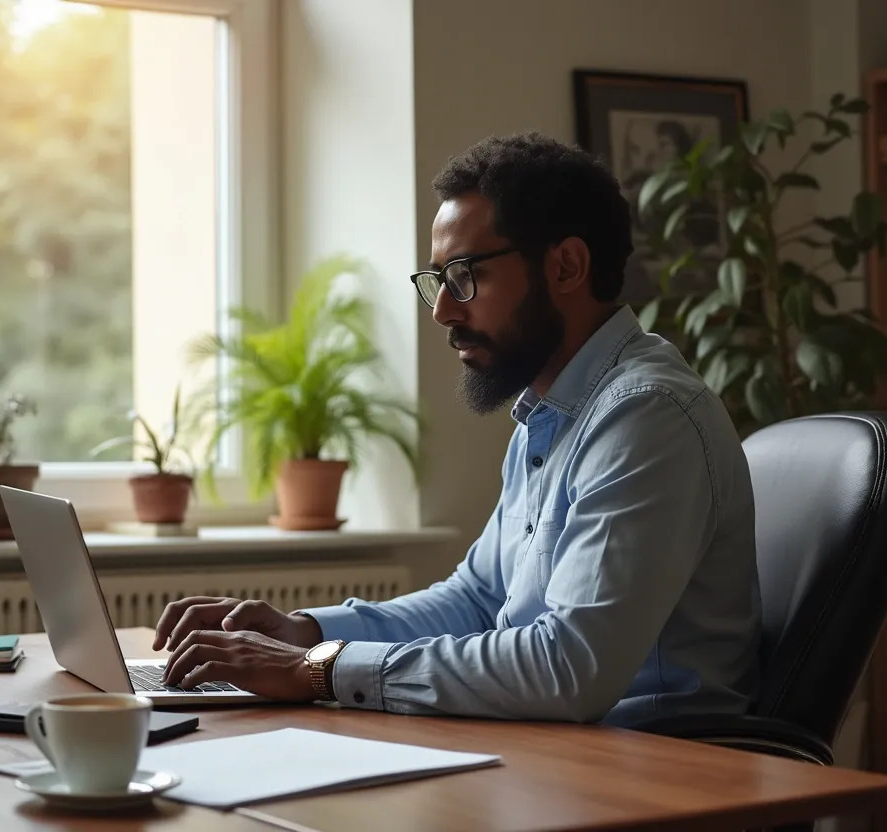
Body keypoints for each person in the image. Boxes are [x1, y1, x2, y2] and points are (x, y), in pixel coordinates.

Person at [152, 131, 761, 726]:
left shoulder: (646, 417)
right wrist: (304, 632)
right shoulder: (549, 414)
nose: (444, 310)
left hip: (655, 773)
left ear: (567, 266)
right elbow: (477, 600)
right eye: (437, 281)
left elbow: (569, 668)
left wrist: (318, 669)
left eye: (466, 275)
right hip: (559, 756)